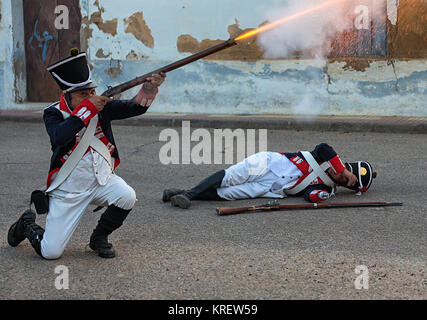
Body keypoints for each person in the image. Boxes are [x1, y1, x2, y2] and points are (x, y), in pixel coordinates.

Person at [7, 49, 166, 259]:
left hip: (101, 181)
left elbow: (134, 108)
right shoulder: (53, 113)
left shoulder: (102, 107)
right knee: (50, 252)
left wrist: (148, 88)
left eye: (91, 92)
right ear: (68, 95)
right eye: (83, 94)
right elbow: (59, 137)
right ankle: (26, 225)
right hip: (68, 189)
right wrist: (86, 110)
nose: (91, 97)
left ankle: (98, 238)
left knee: (127, 196)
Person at [163, 143, 376, 209]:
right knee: (230, 176)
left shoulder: (328, 190)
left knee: (229, 194)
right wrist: (341, 168)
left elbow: (309, 197)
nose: (342, 175)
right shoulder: (327, 157)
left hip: (271, 189)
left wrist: (325, 195)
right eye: (347, 172)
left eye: (347, 180)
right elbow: (323, 147)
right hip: (270, 164)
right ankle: (189, 196)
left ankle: (181, 193)